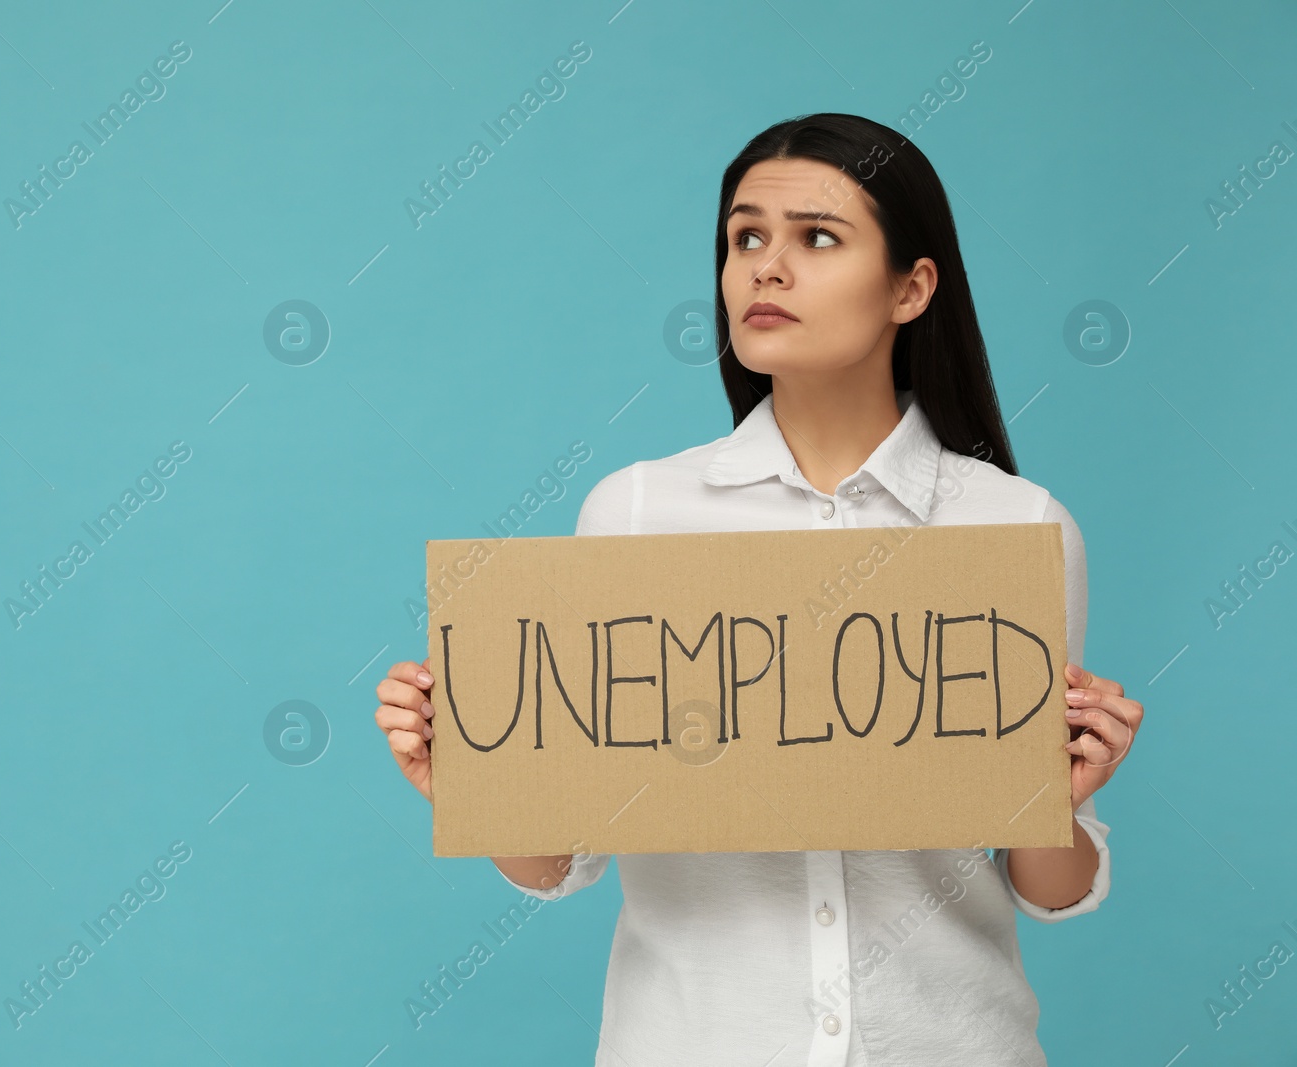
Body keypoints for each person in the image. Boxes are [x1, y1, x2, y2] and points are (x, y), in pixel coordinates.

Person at [372, 112, 1144, 1065]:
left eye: (817, 237)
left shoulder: (1018, 529)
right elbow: (569, 857)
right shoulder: (638, 512)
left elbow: (1047, 888)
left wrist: (1057, 800)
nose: (766, 269)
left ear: (912, 286)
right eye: (746, 237)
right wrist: (476, 787)